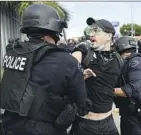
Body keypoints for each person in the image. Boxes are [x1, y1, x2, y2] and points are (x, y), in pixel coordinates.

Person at [1, 4, 90, 135]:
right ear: (55, 29)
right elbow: (82, 105)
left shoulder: (13, 51)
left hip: (9, 126)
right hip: (44, 129)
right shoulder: (66, 61)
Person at [70, 17, 121, 135]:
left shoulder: (118, 59)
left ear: (109, 36)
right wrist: (79, 77)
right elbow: (67, 73)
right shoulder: (84, 52)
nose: (91, 34)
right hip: (84, 124)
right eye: (90, 31)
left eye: (96, 31)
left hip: (109, 124)